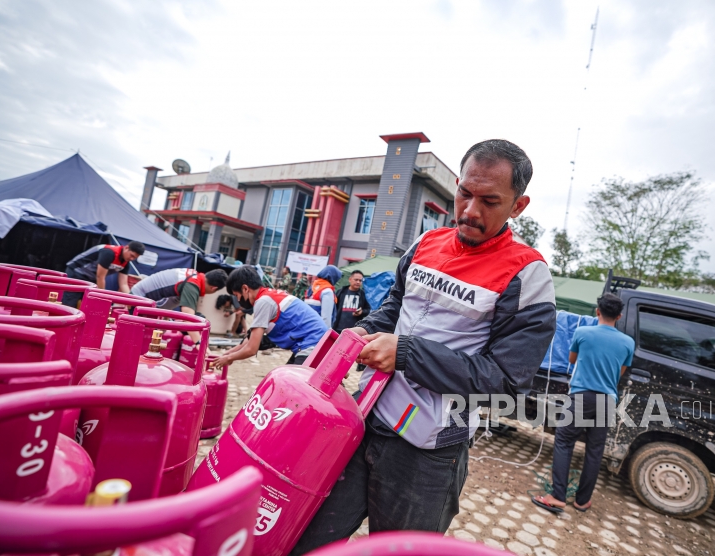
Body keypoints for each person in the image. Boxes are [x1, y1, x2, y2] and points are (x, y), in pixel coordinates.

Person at [291, 139, 556, 554]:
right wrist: (364, 333)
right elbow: (393, 309)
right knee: (308, 540)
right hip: (364, 420)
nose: (470, 211)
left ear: (518, 206)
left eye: (489, 201)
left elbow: (506, 382)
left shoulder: (528, 275)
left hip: (428, 452)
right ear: (456, 184)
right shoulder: (425, 244)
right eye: (465, 193)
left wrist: (407, 354)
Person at [531, 293, 634, 514]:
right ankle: (582, 501)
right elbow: (620, 372)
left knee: (564, 441)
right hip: (608, 400)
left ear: (597, 311)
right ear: (619, 316)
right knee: (595, 450)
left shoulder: (582, 332)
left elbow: (571, 360)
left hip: (581, 396)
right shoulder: (628, 342)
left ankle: (558, 496)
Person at [210, 266, 328, 368]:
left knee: (291, 387)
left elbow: (251, 349)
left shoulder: (263, 302)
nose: (238, 300)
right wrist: (226, 355)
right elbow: (248, 340)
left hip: (313, 344)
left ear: (245, 289)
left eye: (237, 295)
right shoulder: (268, 296)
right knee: (286, 380)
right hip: (313, 342)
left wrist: (229, 358)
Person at [130, 268, 227, 344]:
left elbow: (169, 301)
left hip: (143, 298)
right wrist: (199, 343)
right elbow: (188, 317)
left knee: (157, 331)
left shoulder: (193, 275)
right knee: (137, 339)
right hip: (138, 300)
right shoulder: (193, 284)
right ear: (214, 288)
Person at [62, 241, 145, 307]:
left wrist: (130, 300)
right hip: (76, 271)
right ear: (126, 248)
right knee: (70, 301)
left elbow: (123, 284)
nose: (131, 259)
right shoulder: (109, 253)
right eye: (131, 255)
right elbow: (100, 277)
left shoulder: (126, 263)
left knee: (89, 302)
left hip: (91, 277)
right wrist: (102, 297)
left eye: (134, 258)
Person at [305, 265, 342, 329]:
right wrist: (326, 333)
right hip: (317, 329)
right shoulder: (327, 291)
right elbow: (326, 318)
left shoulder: (312, 287)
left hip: (306, 326)